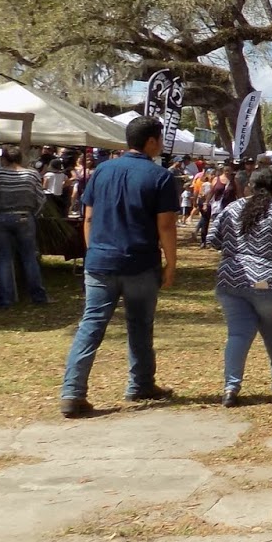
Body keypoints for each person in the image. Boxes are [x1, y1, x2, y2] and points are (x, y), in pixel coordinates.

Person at [59, 116, 180, 418]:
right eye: (160, 139)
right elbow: (165, 226)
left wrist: (93, 253)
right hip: (140, 262)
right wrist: (171, 263)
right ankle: (140, 383)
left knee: (91, 325)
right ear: (151, 142)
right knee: (140, 325)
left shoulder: (101, 171)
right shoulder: (160, 177)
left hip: (100, 261)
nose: (162, 144)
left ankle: (72, 392)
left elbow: (88, 218)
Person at [206, 166, 272, 406]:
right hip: (267, 282)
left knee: (238, 334)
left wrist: (235, 250)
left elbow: (212, 239)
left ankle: (231, 388)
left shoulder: (232, 208)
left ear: (249, 186)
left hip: (231, 280)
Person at [0, 146, 48, 307]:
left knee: (4, 258)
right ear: (21, 159)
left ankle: (5, 300)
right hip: (24, 216)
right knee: (29, 257)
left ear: (5, 159)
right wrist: (33, 213)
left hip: (1, 217)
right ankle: (38, 297)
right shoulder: (32, 174)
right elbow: (41, 199)